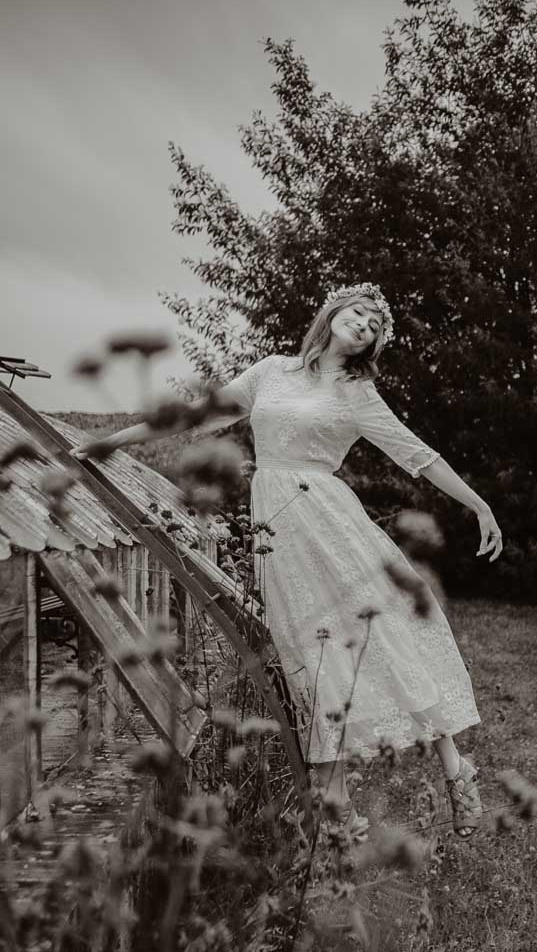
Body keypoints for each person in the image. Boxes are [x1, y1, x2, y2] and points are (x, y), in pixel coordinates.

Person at [72, 284, 503, 838]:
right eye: (359, 314)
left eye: (375, 325)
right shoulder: (271, 371)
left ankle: (455, 769)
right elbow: (194, 416)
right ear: (333, 313)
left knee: (387, 633)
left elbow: (416, 452)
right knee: (311, 648)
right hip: (280, 527)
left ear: (373, 345)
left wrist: (478, 503)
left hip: (332, 519)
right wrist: (115, 441)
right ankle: (339, 804)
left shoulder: (357, 393)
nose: (365, 326)